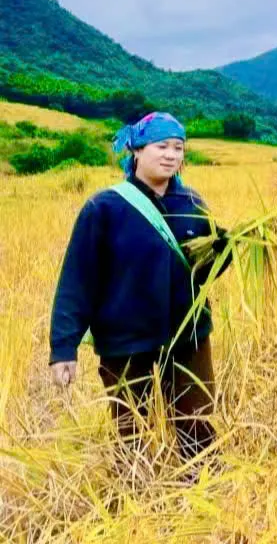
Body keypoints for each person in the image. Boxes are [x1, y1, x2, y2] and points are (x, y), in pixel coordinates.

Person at [48, 111, 232, 465]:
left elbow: (203, 269)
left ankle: (203, 494)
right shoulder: (105, 208)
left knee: (198, 425)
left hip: (187, 335)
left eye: (178, 148)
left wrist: (226, 251)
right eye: (161, 146)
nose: (171, 155)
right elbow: (77, 278)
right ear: (136, 151)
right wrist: (63, 346)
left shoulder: (191, 204)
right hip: (126, 340)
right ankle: (137, 499)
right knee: (133, 431)